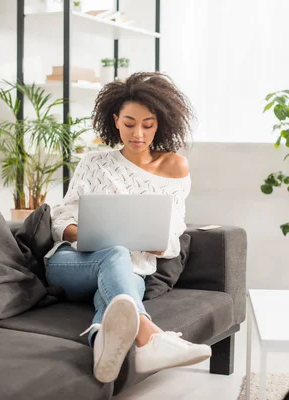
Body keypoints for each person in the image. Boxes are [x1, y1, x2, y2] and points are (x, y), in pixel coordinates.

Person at [44, 72, 211, 384]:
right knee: (116, 252)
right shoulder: (93, 163)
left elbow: (173, 238)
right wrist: (94, 235)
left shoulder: (175, 167)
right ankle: (152, 337)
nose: (138, 133)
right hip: (72, 263)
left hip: (130, 273)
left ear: (160, 122)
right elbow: (60, 222)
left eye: (147, 124)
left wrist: (158, 243)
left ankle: (100, 345)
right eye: (129, 123)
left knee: (124, 293)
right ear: (115, 120)